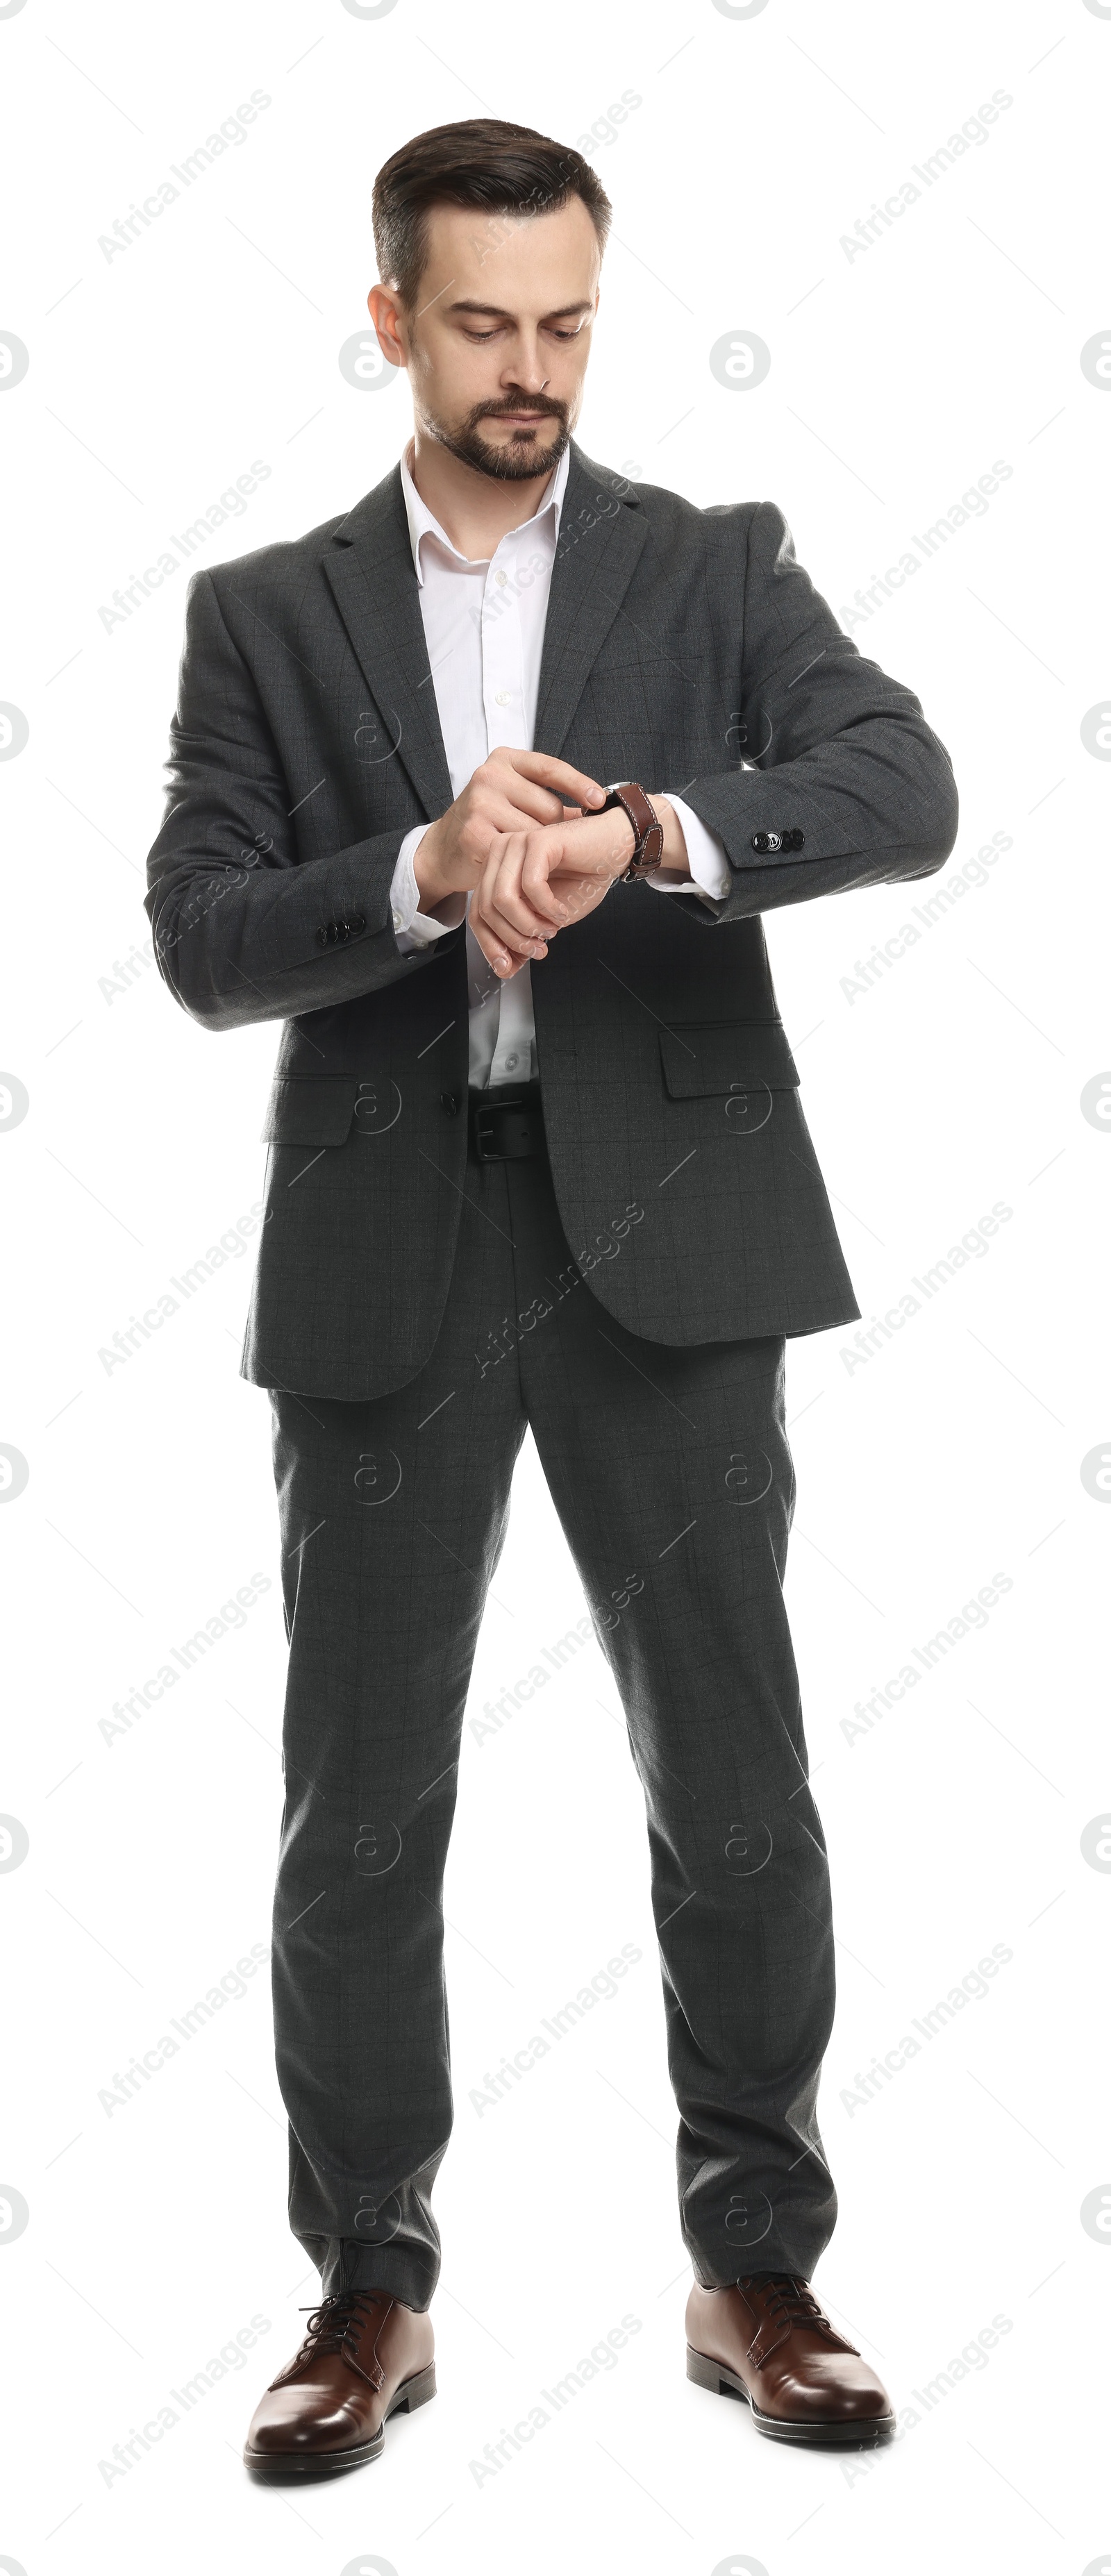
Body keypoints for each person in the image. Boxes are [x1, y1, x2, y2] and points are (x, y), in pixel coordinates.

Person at [145, 118, 958, 2479]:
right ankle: (366, 2289)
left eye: (571, 324)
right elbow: (202, 942)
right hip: (395, 1240)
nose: (535, 371)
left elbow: (900, 780)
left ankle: (759, 2260)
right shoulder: (266, 616)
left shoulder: (715, 564)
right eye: (485, 325)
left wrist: (646, 840)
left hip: (676, 1236)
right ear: (391, 315)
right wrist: (415, 866)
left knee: (738, 1778)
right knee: (361, 1803)